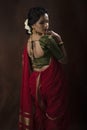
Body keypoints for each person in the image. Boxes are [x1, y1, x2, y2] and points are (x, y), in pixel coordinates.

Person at [19, 6, 70, 130]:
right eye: (42, 22)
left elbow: (30, 66)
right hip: (50, 84)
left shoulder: (28, 41)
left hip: (34, 85)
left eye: (47, 21)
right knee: (53, 115)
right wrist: (59, 40)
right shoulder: (47, 40)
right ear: (33, 25)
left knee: (40, 114)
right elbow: (64, 59)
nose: (46, 25)